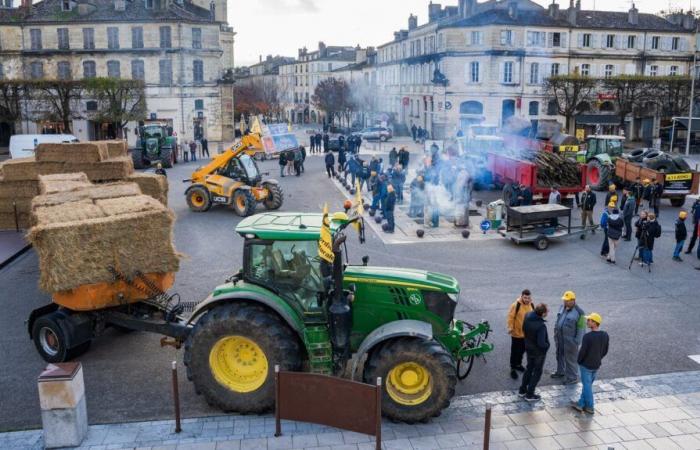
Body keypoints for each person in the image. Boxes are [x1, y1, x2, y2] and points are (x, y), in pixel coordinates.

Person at [571, 313, 609, 415]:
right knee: (587, 385)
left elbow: (582, 352)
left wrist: (579, 361)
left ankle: (590, 407)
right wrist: (598, 358)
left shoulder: (587, 337)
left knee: (587, 386)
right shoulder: (605, 335)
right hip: (596, 364)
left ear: (595, 323)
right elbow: (605, 350)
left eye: (589, 320)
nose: (587, 322)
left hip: (586, 366)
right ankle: (580, 404)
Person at [552, 291, 586, 385]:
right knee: (559, 355)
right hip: (560, 338)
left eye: (567, 301)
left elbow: (581, 329)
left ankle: (572, 378)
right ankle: (560, 372)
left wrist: (576, 342)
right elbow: (558, 320)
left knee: (570, 360)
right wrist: (555, 331)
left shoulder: (580, 313)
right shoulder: (562, 307)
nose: (565, 302)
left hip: (570, 341)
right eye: (564, 300)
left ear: (573, 300)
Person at [519, 303, 550, 402]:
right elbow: (542, 343)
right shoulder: (541, 326)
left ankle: (522, 390)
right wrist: (547, 345)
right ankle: (530, 394)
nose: (548, 312)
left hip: (528, 348)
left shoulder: (527, 316)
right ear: (543, 313)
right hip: (538, 352)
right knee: (537, 372)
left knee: (529, 368)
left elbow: (523, 329)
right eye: (547, 311)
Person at [507, 289, 535, 380]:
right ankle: (513, 368)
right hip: (516, 333)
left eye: (528, 298)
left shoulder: (531, 305)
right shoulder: (516, 305)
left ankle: (518, 364)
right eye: (525, 297)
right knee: (515, 351)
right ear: (522, 296)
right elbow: (510, 317)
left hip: (526, 334)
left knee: (522, 350)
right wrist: (510, 328)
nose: (527, 299)